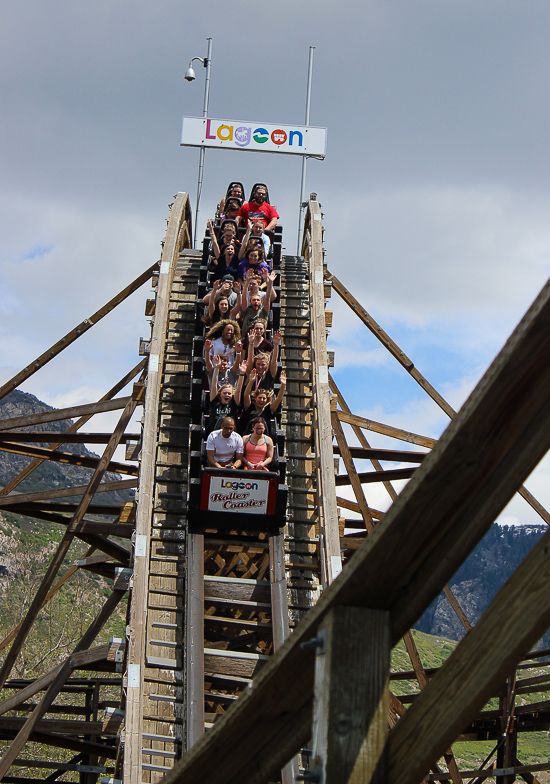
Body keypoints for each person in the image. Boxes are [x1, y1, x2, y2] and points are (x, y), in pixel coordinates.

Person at [240, 371, 286, 436]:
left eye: (264, 398)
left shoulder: (268, 409)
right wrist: (251, 381)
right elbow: (246, 395)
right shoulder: (250, 406)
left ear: (267, 400)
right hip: (249, 436)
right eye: (260, 398)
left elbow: (278, 399)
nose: (261, 400)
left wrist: (283, 385)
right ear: (255, 398)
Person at [207, 361, 245, 434]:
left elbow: (238, 390)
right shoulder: (215, 402)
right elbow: (214, 385)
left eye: (229, 393)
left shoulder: (233, 404)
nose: (227, 395)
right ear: (220, 394)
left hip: (230, 434)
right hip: (215, 434)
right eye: (224, 393)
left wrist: (242, 373)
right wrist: (216, 368)